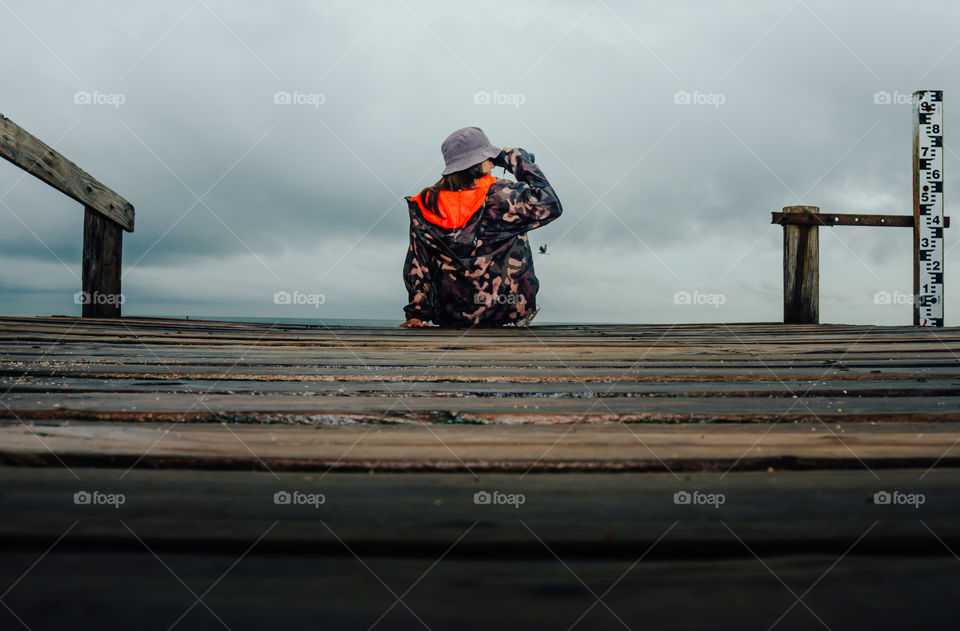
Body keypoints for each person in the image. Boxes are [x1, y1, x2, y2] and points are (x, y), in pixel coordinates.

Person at [400, 127, 562, 328]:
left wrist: (416, 315)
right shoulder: (501, 195)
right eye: (489, 157)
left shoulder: (427, 202)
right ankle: (517, 314)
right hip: (504, 311)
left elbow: (417, 263)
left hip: (449, 315)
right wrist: (517, 159)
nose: (493, 164)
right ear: (479, 162)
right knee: (516, 226)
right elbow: (550, 204)